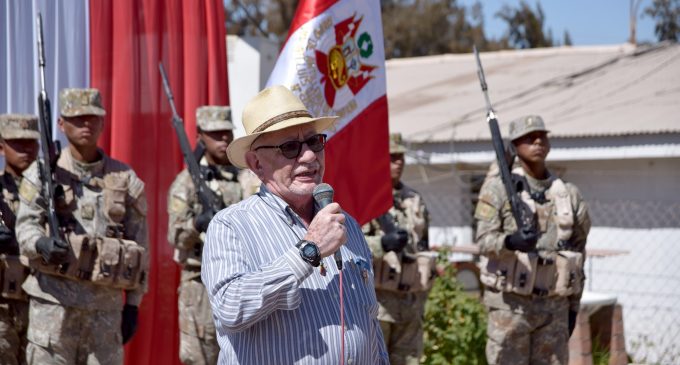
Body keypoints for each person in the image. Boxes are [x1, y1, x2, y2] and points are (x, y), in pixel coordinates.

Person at [201, 85, 389, 364]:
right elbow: (230, 309)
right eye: (290, 147)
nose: (310, 156)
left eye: (315, 142)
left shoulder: (345, 224)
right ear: (256, 163)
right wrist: (307, 251)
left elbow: (370, 322)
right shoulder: (231, 226)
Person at [16, 88, 149, 364]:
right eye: (77, 119)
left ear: (102, 122)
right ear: (61, 124)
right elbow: (25, 226)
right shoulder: (42, 174)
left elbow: (140, 247)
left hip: (104, 314)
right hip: (53, 311)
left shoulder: (125, 179)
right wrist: (41, 243)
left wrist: (133, 306)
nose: (86, 124)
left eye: (92, 118)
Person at [474, 115, 591, 365]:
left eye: (542, 136)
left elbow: (579, 251)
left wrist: (573, 305)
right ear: (514, 147)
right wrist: (510, 242)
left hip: (554, 308)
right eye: (529, 138)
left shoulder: (567, 194)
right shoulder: (498, 190)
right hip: (510, 306)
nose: (538, 141)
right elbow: (483, 241)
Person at [167, 105, 242, 365]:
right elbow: (174, 236)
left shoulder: (246, 178)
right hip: (200, 284)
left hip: (243, 280)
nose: (223, 139)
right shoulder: (187, 182)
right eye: (215, 134)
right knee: (199, 358)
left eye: (226, 133)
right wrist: (197, 223)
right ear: (200, 136)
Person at [362, 132, 434, 365]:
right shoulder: (367, 199)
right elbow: (349, 249)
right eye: (392, 157)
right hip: (378, 304)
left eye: (401, 156)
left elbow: (423, 245)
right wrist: (382, 244)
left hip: (411, 303)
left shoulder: (414, 199)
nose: (399, 162)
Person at [0, 114, 40, 365]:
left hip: (42, 305)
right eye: (17, 142)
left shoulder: (54, 192)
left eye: (31, 142)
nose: (25, 148)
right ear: (1, 146)